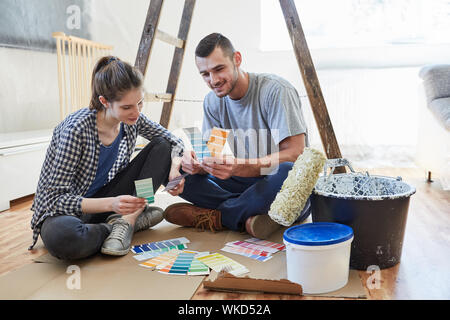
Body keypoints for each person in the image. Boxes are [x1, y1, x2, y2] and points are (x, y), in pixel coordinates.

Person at [29, 56, 185, 259]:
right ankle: (117, 225)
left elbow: (174, 141)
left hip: (111, 198)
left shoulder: (133, 118)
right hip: (69, 210)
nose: (136, 113)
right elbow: (55, 199)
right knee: (64, 239)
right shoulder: (76, 130)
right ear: (104, 101)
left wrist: (175, 169)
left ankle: (128, 220)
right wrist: (112, 204)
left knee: (162, 147)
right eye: (127, 107)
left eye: (140, 103)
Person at [163, 33, 311, 239]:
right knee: (174, 172)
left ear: (237, 59)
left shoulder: (276, 91)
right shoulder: (212, 102)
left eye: (219, 69)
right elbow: (211, 152)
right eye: (205, 74)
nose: (213, 80)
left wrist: (240, 166)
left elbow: (296, 154)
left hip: (278, 180)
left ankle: (218, 217)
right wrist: (198, 164)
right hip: (247, 183)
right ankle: (251, 213)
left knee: (287, 171)